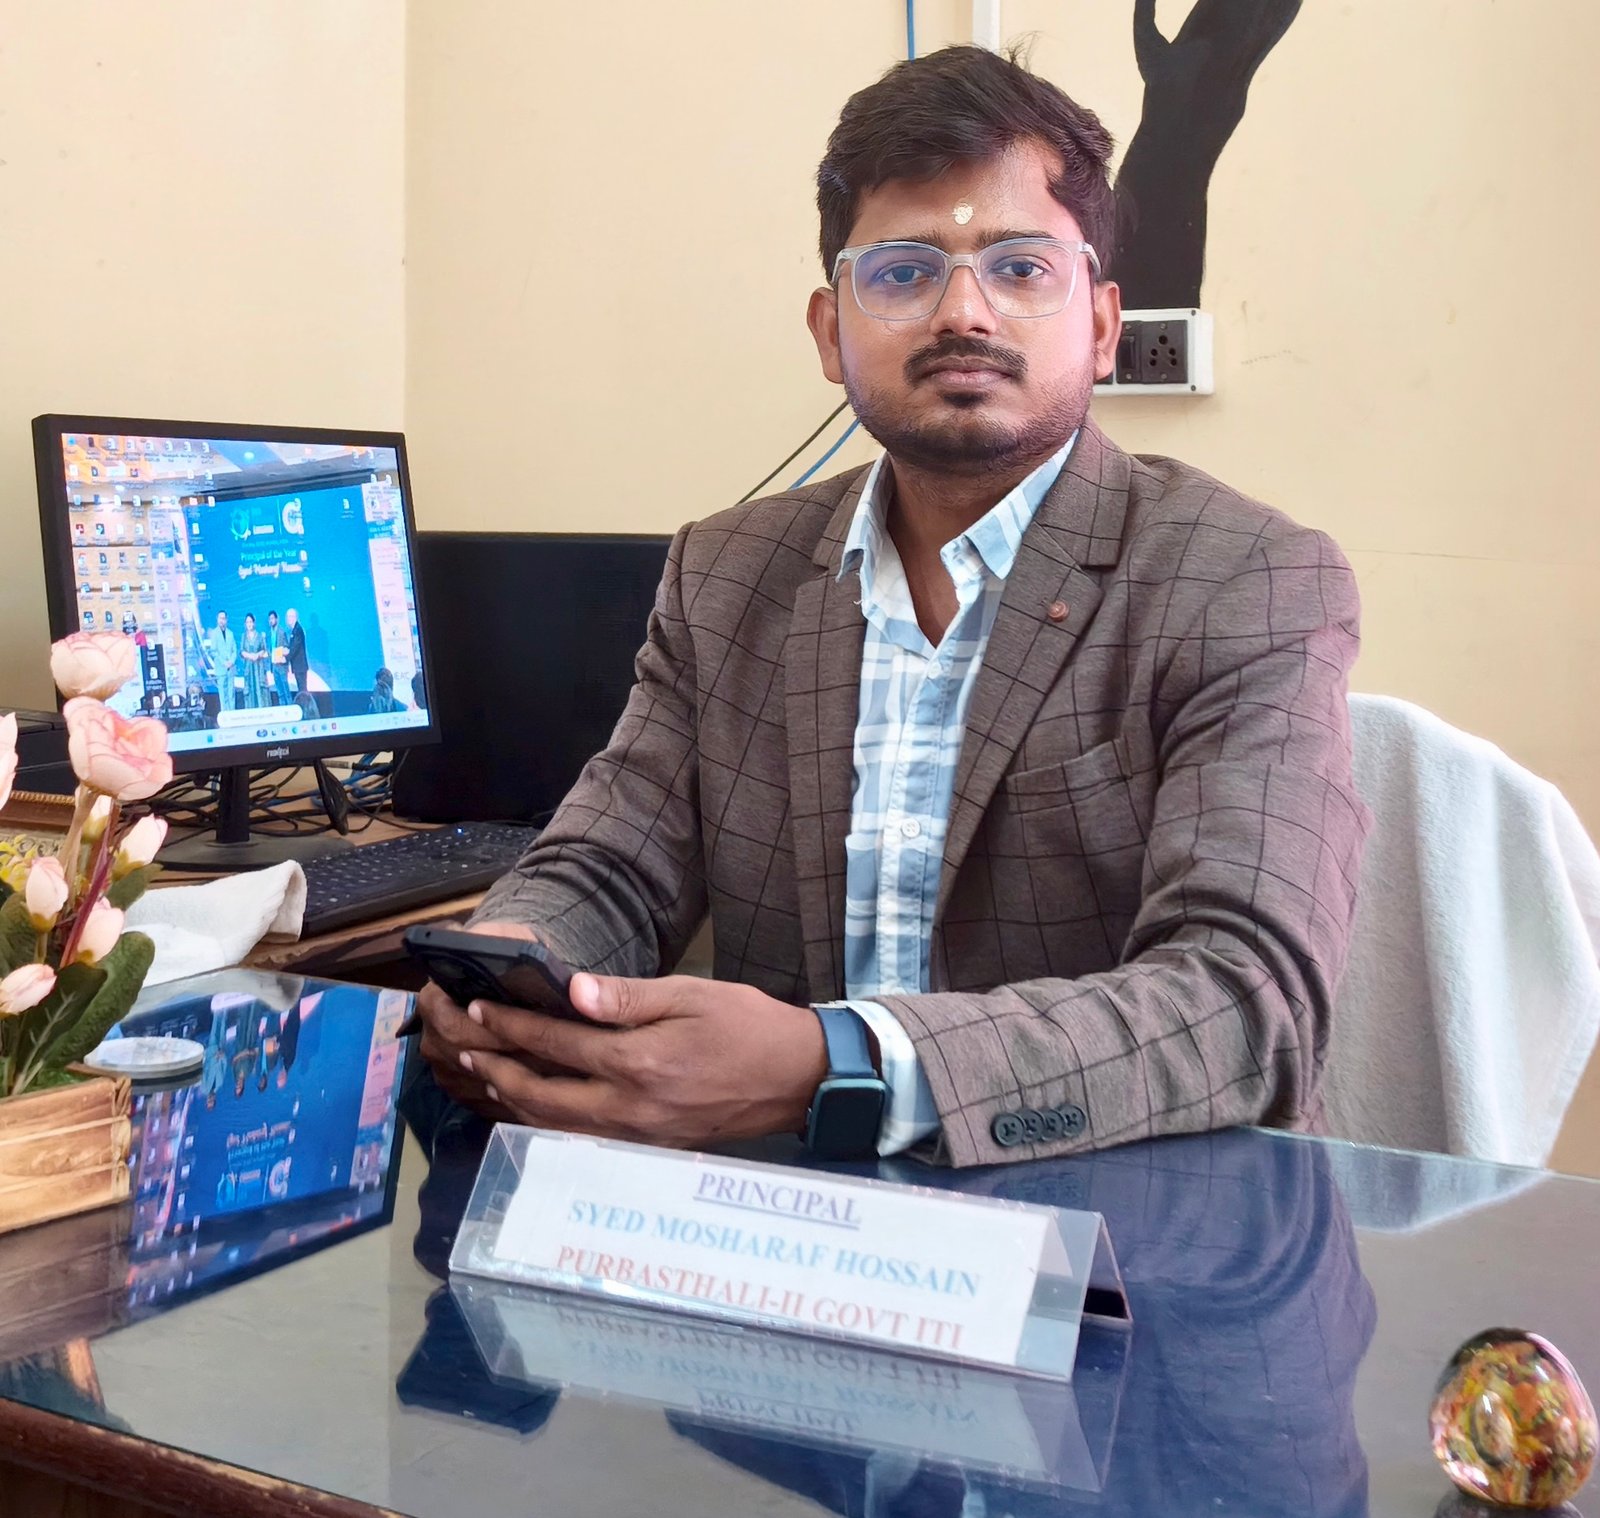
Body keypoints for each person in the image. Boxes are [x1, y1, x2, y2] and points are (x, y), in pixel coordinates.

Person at [417, 46, 1368, 1168]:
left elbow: (1246, 999)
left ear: (1104, 326)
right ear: (831, 331)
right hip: (786, 1220)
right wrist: (513, 962)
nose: (964, 312)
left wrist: (838, 1063)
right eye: (905, 272)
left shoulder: (1242, 578)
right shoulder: (727, 572)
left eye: (1021, 268)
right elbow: (609, 867)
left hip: (1130, 1219)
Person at [284, 607, 318, 718]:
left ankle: (307, 713)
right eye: (287, 616)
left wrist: (286, 657)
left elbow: (295, 647)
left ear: (295, 617)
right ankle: (305, 712)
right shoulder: (294, 630)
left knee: (303, 691)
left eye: (290, 616)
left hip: (300, 666)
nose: (288, 619)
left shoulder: (298, 630)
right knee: (301, 690)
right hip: (297, 666)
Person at [206, 610, 237, 713]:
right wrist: (224, 662)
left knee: (231, 693)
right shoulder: (214, 633)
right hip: (221, 668)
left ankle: (232, 713)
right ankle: (225, 714)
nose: (222, 620)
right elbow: (213, 651)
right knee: (223, 694)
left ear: (226, 620)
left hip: (231, 668)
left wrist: (231, 661)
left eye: (223, 618)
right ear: (217, 619)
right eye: (220, 618)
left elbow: (235, 650)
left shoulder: (230, 633)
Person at [239, 612, 268, 708]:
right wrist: (250, 656)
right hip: (248, 667)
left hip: (259, 667)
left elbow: (264, 649)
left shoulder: (260, 636)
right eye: (247, 622)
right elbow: (241, 651)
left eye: (250, 622)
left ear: (254, 623)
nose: (249, 624)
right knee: (249, 689)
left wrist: (257, 655)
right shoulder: (243, 636)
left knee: (260, 688)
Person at [264, 610, 292, 705]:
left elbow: (287, 647)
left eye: (272, 618)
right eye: (269, 619)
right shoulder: (268, 633)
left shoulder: (282, 632)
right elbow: (268, 648)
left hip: (281, 665)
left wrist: (281, 654)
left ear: (276, 619)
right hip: (273, 665)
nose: (271, 621)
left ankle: (290, 708)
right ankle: (283, 709)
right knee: (279, 692)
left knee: (286, 690)